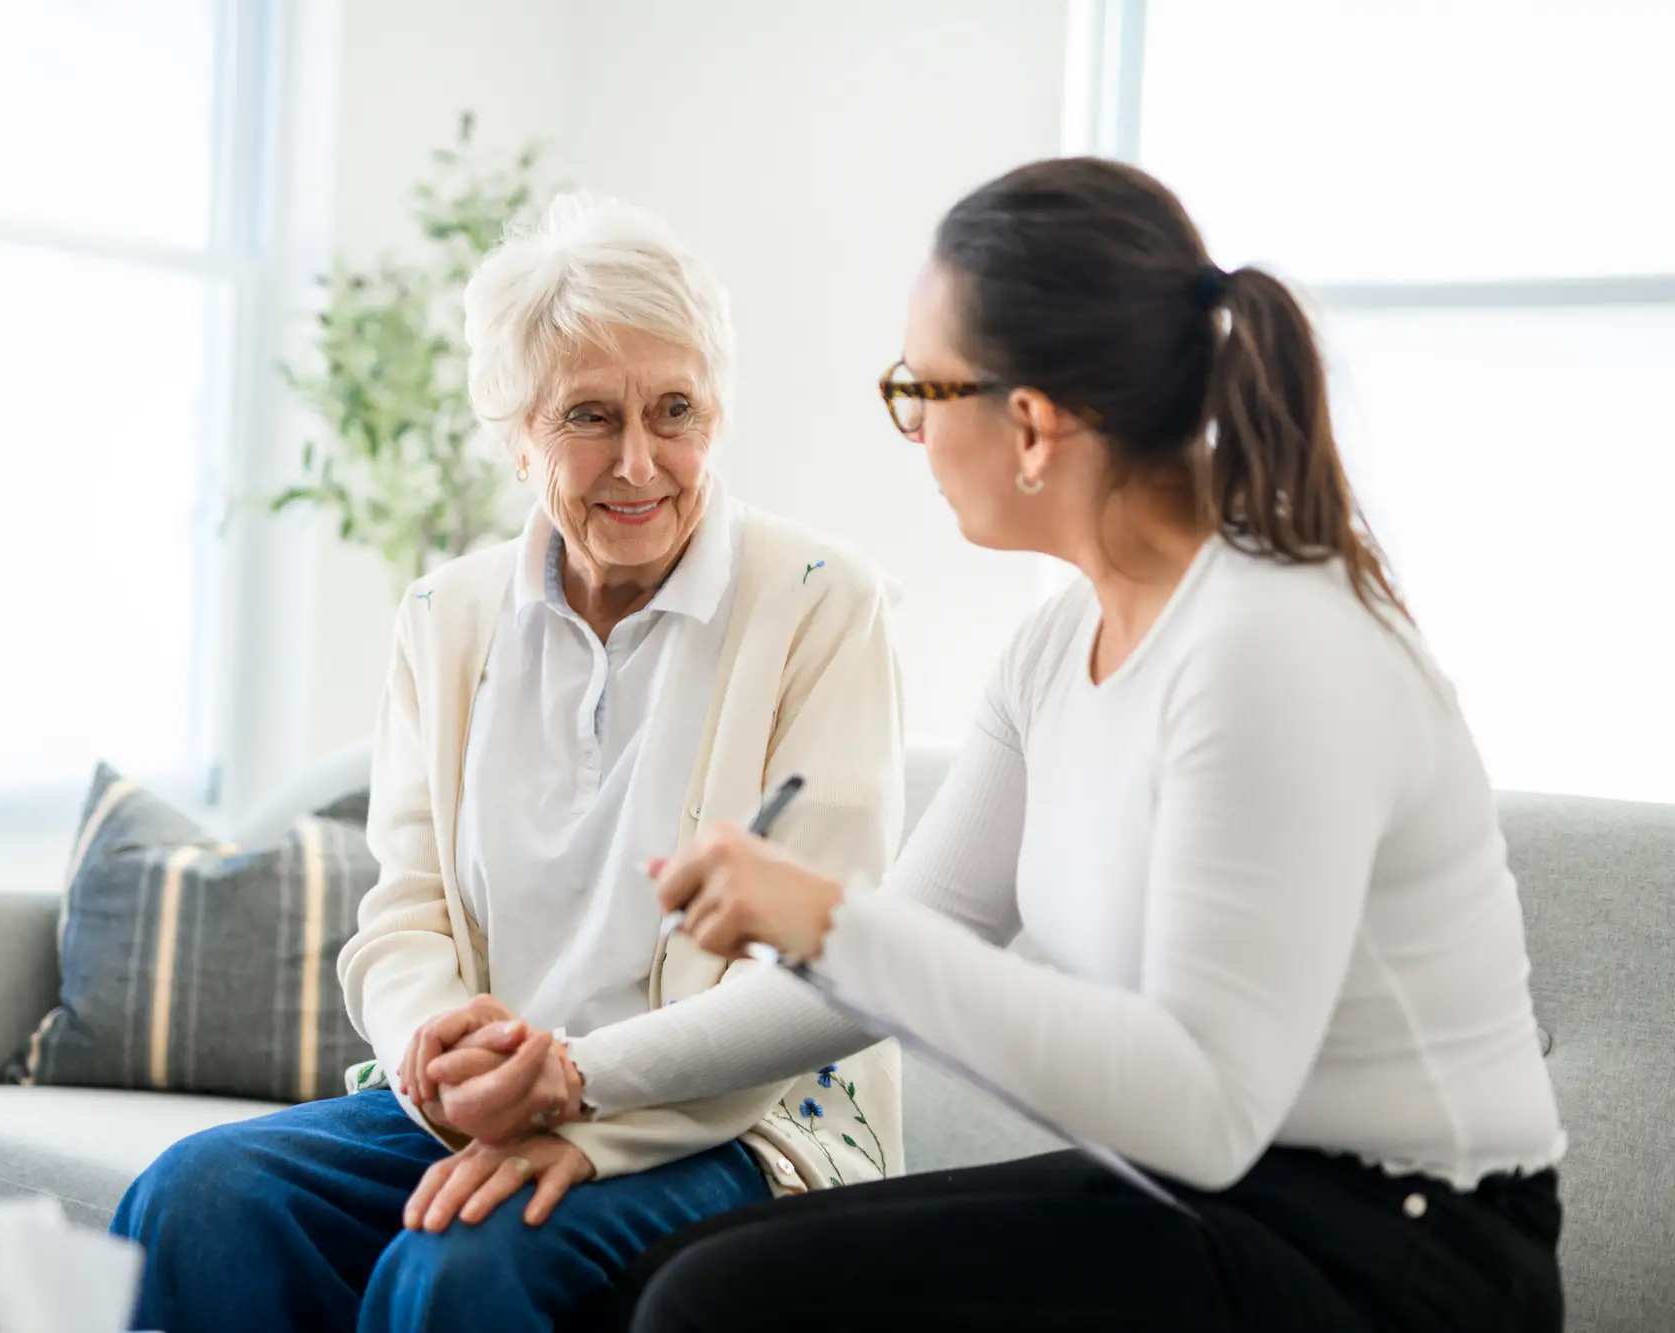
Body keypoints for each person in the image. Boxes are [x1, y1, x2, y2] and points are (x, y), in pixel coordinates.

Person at [592, 158, 1568, 1332]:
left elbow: (1204, 1101)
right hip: (1206, 1196)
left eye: (920, 387)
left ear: (1031, 424)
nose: (909, 428)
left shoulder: (1271, 647)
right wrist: (575, 1075)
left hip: (1400, 1256)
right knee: (658, 1280)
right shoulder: (1059, 646)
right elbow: (903, 955)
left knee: (713, 1307)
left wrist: (827, 920)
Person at [108, 193, 905, 1333]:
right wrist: (434, 1055)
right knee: (197, 1197)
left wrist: (583, 1108)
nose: (638, 461)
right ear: (513, 432)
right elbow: (405, 912)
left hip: (737, 1119)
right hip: (482, 1105)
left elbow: (815, 974)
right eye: (588, 415)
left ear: (715, 414)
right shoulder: (446, 614)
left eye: (672, 409)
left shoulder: (822, 602)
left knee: (463, 1270)